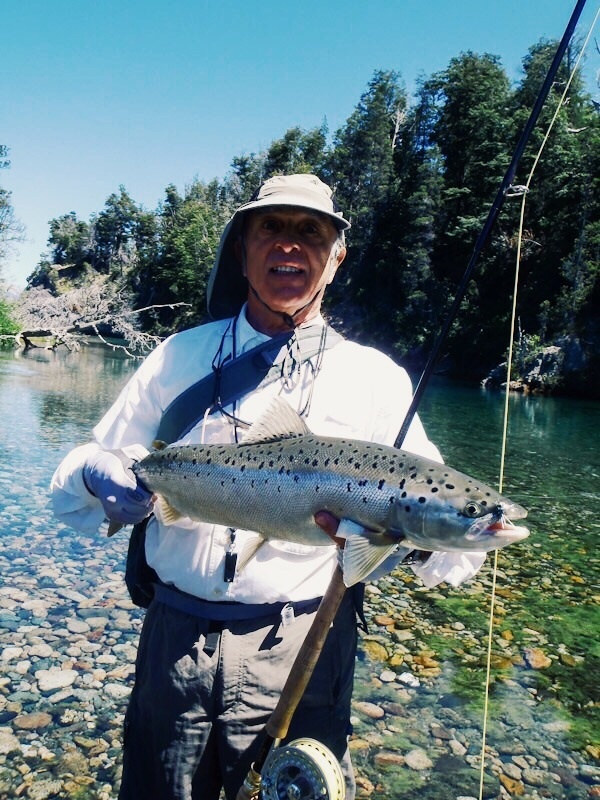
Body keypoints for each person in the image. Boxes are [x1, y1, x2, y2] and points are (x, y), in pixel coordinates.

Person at [51, 174, 485, 800]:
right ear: (241, 250)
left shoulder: (376, 381)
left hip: (305, 649)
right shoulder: (178, 357)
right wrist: (97, 474)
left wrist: (410, 540)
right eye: (271, 228)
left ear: (336, 258)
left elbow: (451, 544)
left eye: (311, 232)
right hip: (174, 644)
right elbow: (74, 482)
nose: (290, 245)